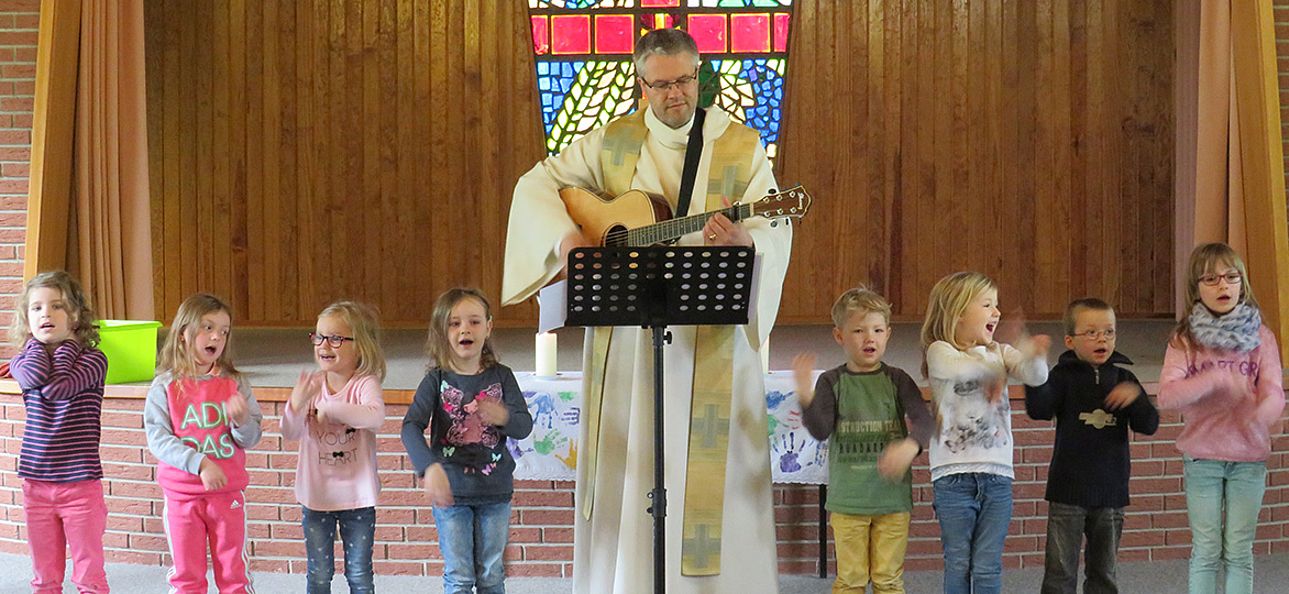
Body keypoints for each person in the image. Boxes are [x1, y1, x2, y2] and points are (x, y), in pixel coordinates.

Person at [501, 27, 793, 593]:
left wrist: (747, 242)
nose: (675, 94)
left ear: (699, 74)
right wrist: (567, 241)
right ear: (642, 84)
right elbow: (535, 185)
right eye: (661, 84)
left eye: (685, 79)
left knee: (712, 473)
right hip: (631, 340)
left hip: (712, 337)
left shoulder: (740, 145)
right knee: (636, 468)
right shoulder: (612, 141)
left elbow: (773, 222)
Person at [1157, 243, 1283, 594]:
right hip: (1203, 459)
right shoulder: (1185, 339)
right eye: (1210, 279)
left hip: (1249, 459)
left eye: (1231, 277)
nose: (1222, 286)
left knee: (1240, 552)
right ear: (1196, 288)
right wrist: (1212, 379)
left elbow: (1274, 389)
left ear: (1242, 283)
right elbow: (1167, 396)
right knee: (1207, 551)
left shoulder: (1261, 337)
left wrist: (1264, 412)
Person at [792, 287, 933, 594]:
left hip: (892, 501)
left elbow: (924, 420)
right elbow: (819, 430)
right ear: (839, 336)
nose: (869, 338)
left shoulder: (897, 379)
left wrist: (910, 446)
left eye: (877, 330)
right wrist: (806, 396)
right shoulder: (831, 381)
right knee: (851, 581)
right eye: (858, 330)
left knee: (888, 580)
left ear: (888, 334)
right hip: (848, 502)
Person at [920, 271, 1050, 594]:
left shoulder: (1000, 352)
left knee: (988, 565)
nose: (997, 312)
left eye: (997, 305)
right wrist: (993, 371)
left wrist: (1032, 352)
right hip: (952, 477)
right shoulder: (939, 350)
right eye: (987, 305)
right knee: (958, 563)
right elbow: (958, 369)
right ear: (958, 311)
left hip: (997, 476)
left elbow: (1037, 377)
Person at [401, 288, 533, 594]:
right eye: (455, 323)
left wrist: (502, 417)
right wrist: (428, 466)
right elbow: (410, 426)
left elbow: (524, 426)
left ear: (488, 327)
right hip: (452, 493)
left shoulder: (503, 376)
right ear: (443, 331)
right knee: (459, 576)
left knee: (491, 575)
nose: (465, 329)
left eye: (474, 322)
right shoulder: (436, 380)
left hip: (495, 492)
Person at [1025, 298, 1159, 593]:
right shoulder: (1062, 377)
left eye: (1109, 332)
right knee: (1060, 574)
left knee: (1104, 574)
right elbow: (1039, 409)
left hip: (1110, 493)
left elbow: (1148, 425)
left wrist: (1136, 398)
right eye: (1092, 333)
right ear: (1070, 341)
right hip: (1067, 492)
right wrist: (1034, 369)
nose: (1102, 339)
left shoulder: (1124, 378)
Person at [144, 293, 263, 594]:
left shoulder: (235, 383)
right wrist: (201, 463)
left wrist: (242, 421)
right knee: (187, 576)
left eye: (223, 331)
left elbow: (250, 438)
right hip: (182, 496)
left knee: (234, 573)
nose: (216, 337)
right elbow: (158, 439)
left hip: (227, 495)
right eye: (207, 327)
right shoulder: (165, 386)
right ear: (183, 332)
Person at [8, 271, 110, 593]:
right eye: (36, 308)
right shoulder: (23, 361)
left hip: (79, 484)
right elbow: (34, 374)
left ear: (76, 316)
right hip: (36, 482)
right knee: (44, 577)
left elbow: (58, 389)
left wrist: (67, 346)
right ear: (26, 319)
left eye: (56, 307)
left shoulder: (94, 359)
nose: (45, 314)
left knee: (88, 574)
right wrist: (36, 348)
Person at [281, 301, 387, 594]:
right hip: (317, 498)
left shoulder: (365, 383)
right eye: (319, 337)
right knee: (319, 575)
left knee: (359, 574)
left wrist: (334, 408)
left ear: (360, 346)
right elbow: (289, 432)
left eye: (336, 338)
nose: (324, 344)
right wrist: (295, 405)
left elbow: (375, 416)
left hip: (357, 498)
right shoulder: (312, 385)